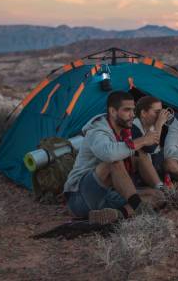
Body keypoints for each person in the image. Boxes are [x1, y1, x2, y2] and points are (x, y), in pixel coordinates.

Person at [63, 91, 163, 224]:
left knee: (158, 196)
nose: (132, 115)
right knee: (114, 161)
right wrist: (143, 140)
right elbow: (109, 154)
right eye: (127, 110)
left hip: (109, 195)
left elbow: (143, 151)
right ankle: (138, 208)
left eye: (133, 110)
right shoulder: (97, 131)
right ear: (113, 111)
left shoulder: (124, 131)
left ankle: (118, 213)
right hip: (79, 198)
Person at [131, 96, 171, 188]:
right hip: (138, 170)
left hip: (155, 163)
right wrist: (159, 124)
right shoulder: (134, 126)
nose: (160, 115)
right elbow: (150, 149)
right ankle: (160, 187)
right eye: (157, 112)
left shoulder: (151, 125)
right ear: (143, 113)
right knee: (143, 152)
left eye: (161, 111)